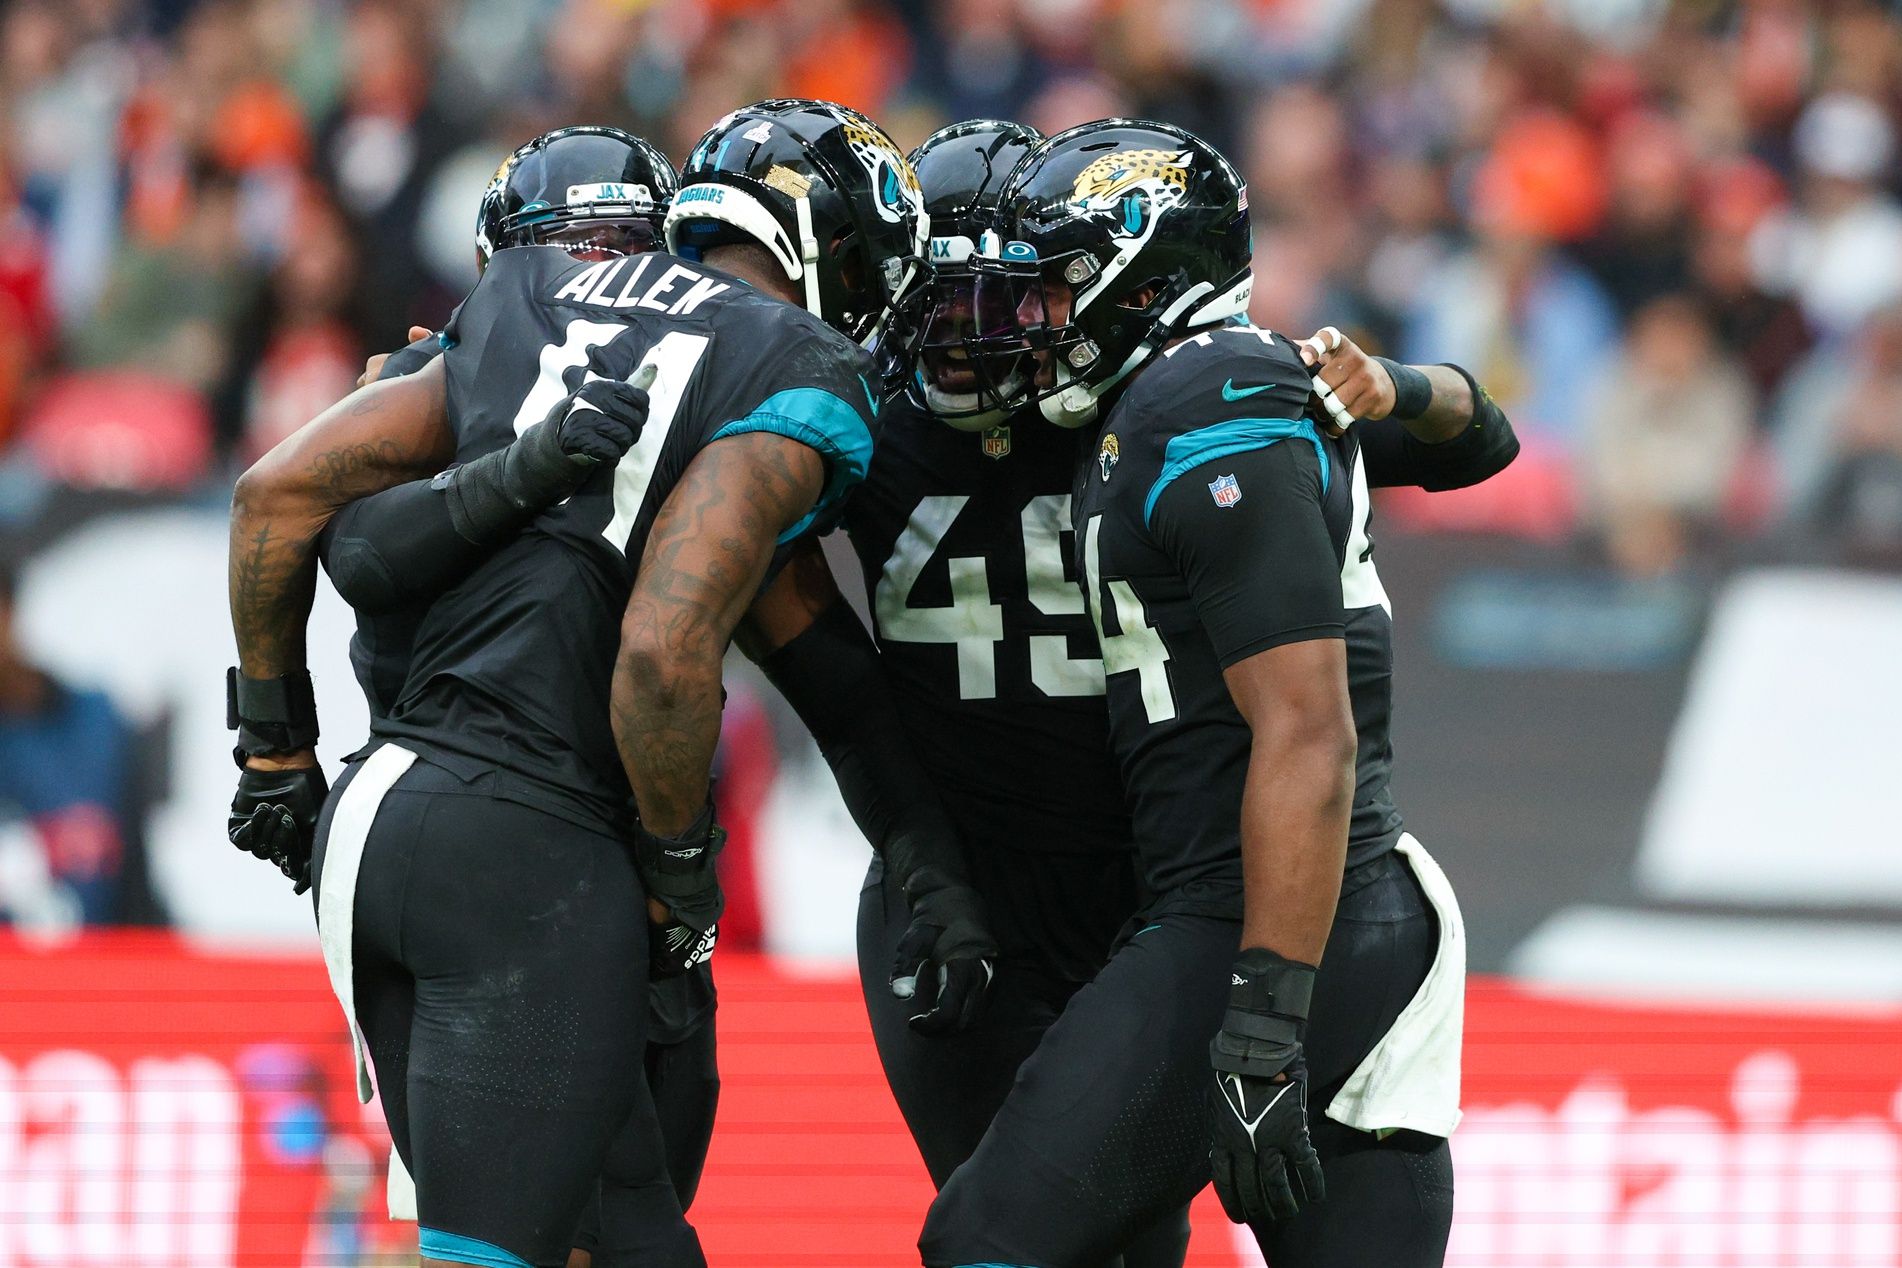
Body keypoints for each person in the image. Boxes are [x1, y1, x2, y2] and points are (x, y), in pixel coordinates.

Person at [225, 99, 925, 1268]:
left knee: (623, 1233)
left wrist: (275, 748)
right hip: (541, 849)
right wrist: (681, 871)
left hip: (409, 822)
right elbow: (667, 643)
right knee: (496, 1240)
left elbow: (290, 511)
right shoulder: (769, 372)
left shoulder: (502, 326)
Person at [922, 118, 1519, 1268]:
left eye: (1051, 290)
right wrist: (1390, 385)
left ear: (1142, 278)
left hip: (1271, 917)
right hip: (1324, 912)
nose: (1029, 320)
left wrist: (1260, 1024)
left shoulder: (1213, 398)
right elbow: (1472, 435)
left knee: (987, 1242)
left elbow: (1309, 733)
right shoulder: (1192, 392)